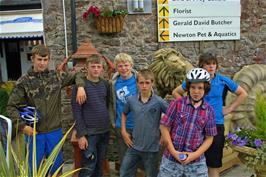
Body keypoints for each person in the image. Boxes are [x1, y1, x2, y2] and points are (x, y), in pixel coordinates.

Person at [6, 44, 86, 175]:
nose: (42, 63)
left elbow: (77, 75)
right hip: (34, 133)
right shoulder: (24, 82)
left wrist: (81, 87)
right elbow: (11, 107)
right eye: (39, 59)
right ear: (32, 59)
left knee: (56, 170)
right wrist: (22, 126)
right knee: (34, 171)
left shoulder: (56, 77)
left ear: (49, 60)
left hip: (54, 132)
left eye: (45, 60)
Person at [172, 51, 247, 177]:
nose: (211, 66)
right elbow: (176, 92)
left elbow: (243, 93)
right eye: (208, 64)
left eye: (214, 64)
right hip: (196, 124)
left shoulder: (223, 81)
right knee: (193, 162)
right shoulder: (194, 80)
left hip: (216, 124)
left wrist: (229, 109)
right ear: (201, 66)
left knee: (213, 164)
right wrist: (186, 107)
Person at [158, 68, 217, 177]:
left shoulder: (209, 111)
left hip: (196, 163)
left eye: (200, 88)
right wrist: (173, 152)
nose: (196, 91)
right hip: (171, 160)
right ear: (188, 87)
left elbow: (209, 138)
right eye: (193, 87)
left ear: (206, 89)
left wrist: (194, 155)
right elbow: (164, 127)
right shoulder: (177, 104)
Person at [120, 68, 168, 177]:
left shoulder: (159, 101)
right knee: (124, 173)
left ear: (152, 83)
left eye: (147, 83)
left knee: (151, 174)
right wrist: (123, 131)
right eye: (141, 83)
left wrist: (164, 135)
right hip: (134, 146)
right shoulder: (131, 100)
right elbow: (124, 113)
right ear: (137, 83)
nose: (144, 86)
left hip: (152, 148)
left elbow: (171, 117)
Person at [71, 54, 110, 177]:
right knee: (88, 167)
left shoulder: (105, 84)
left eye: (99, 67)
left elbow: (106, 104)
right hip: (89, 134)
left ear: (102, 69)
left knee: (99, 166)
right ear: (87, 68)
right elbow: (77, 112)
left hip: (104, 132)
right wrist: (81, 135)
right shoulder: (79, 87)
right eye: (93, 66)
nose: (96, 69)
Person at [109, 53, 138, 168]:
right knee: (125, 158)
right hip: (122, 125)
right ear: (116, 67)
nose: (124, 68)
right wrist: (113, 122)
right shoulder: (113, 83)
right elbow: (111, 103)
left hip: (139, 124)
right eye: (120, 66)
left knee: (140, 158)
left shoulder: (139, 80)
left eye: (126, 65)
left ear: (131, 65)